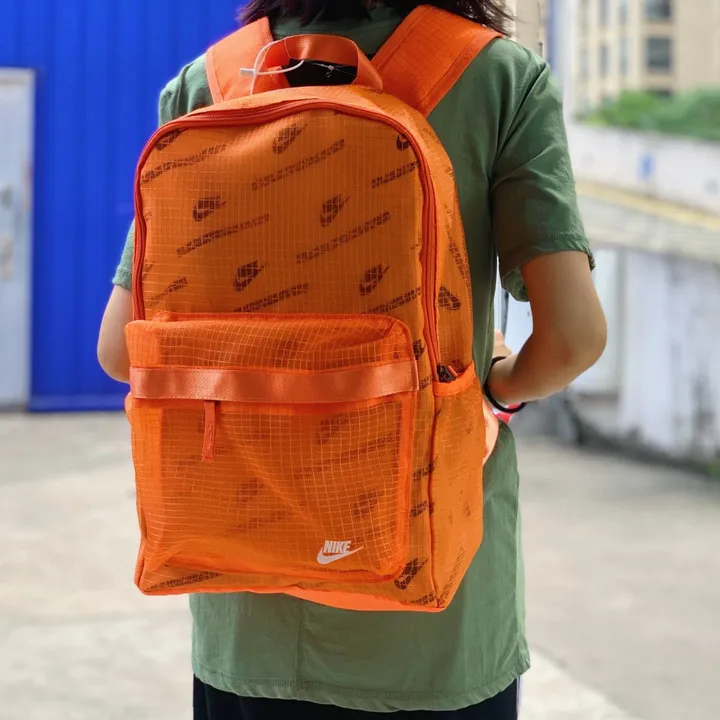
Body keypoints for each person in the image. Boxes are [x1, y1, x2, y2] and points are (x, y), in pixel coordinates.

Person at [98, 1, 607, 718]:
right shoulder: (495, 76)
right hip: (433, 620)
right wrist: (497, 388)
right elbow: (572, 338)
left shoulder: (211, 84)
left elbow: (121, 350)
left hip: (248, 615)